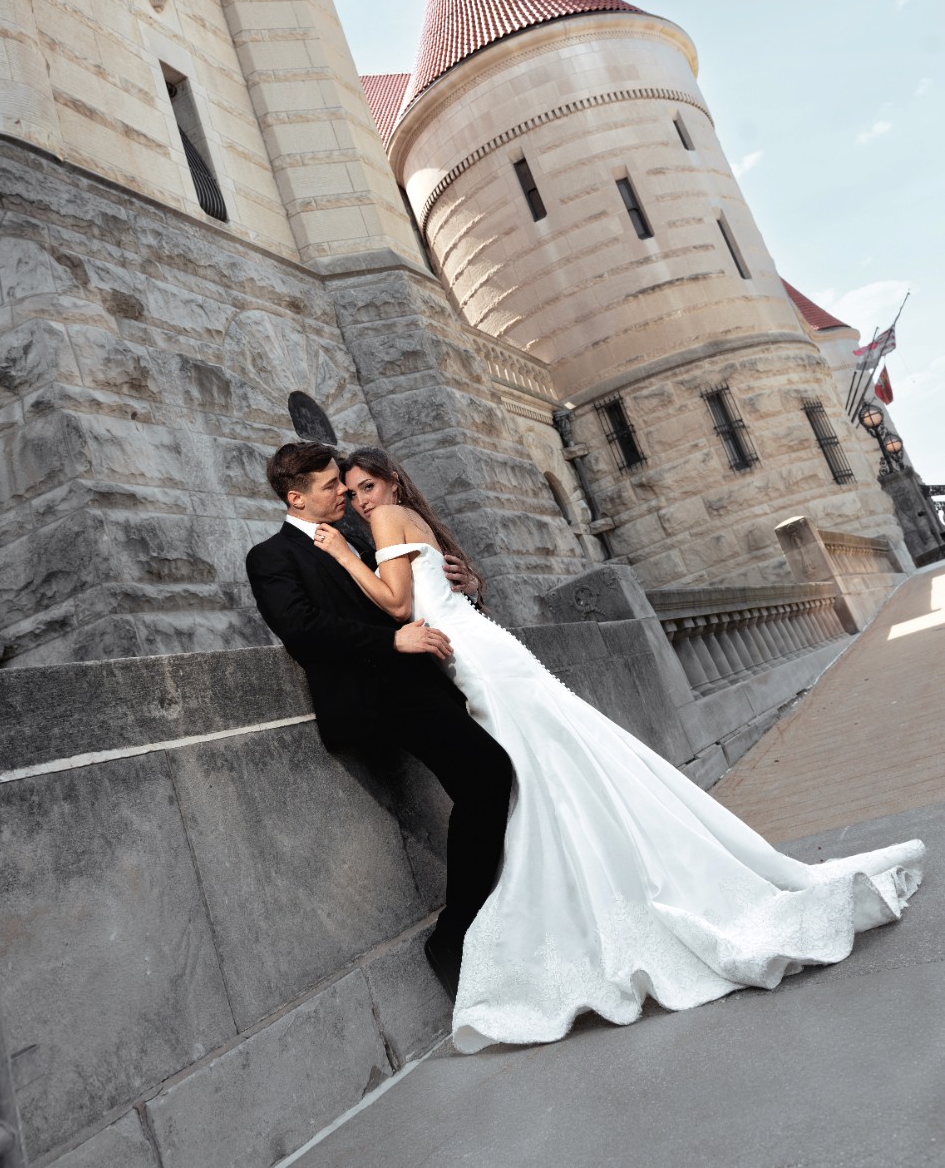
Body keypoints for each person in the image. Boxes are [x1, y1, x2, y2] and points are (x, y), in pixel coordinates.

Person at [313, 445, 926, 1054]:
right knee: (554, 765)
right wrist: (454, 580)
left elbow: (397, 605)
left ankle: (600, 897)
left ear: (390, 482)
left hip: (482, 663)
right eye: (354, 491)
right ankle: (608, 880)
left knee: (540, 770)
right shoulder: (408, 520)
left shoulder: (386, 521)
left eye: (368, 487)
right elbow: (434, 591)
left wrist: (342, 552)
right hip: (485, 653)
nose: (360, 501)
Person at [245, 442, 512, 997]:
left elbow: (410, 599)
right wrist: (390, 638)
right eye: (330, 485)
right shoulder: (271, 556)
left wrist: (463, 584)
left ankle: (479, 924)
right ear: (296, 498)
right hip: (375, 698)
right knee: (487, 774)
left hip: (424, 685)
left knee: (491, 777)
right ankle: (455, 934)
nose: (343, 490)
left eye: (345, 483)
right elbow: (301, 629)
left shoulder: (361, 538)